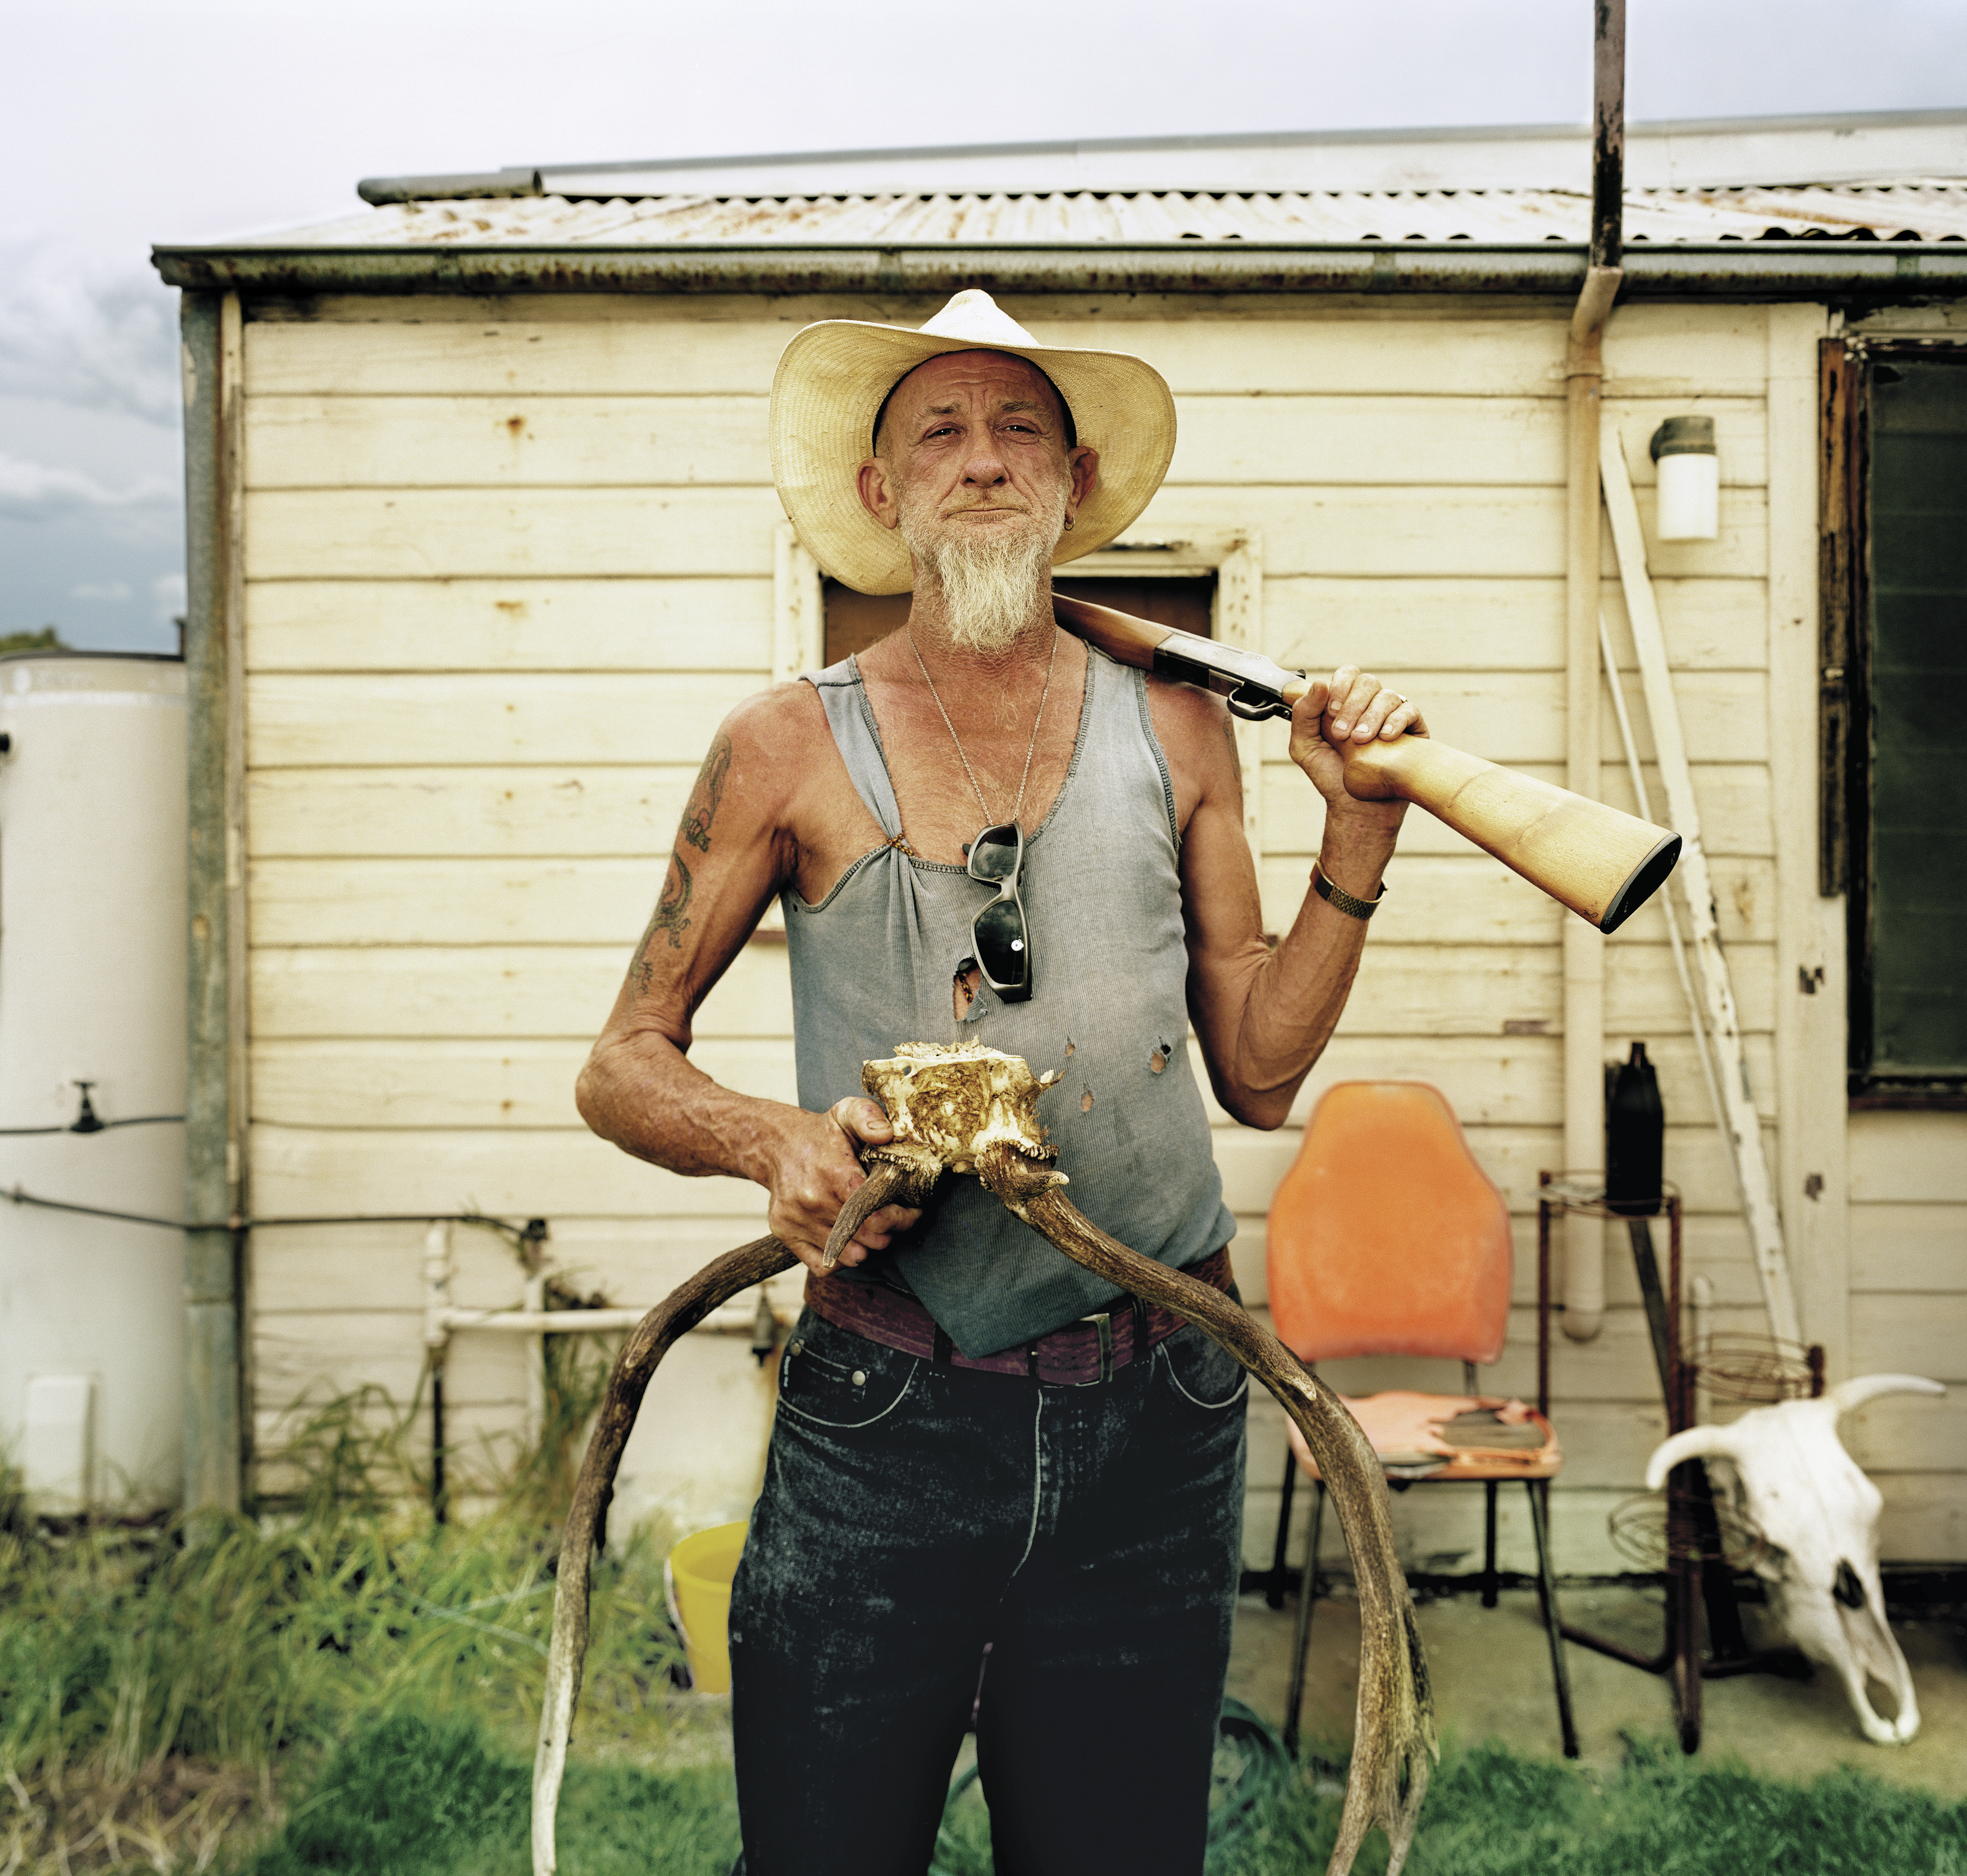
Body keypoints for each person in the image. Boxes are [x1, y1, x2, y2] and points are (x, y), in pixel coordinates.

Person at [577, 289, 1424, 1876]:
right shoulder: (783, 744)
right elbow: (621, 1063)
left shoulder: (1178, 728)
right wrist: (773, 1141)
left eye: (1019, 429)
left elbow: (1257, 1070)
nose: (982, 461)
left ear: (1073, 482)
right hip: (889, 1405)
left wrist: (1359, 836)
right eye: (939, 434)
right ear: (880, 491)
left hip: (1163, 1399)